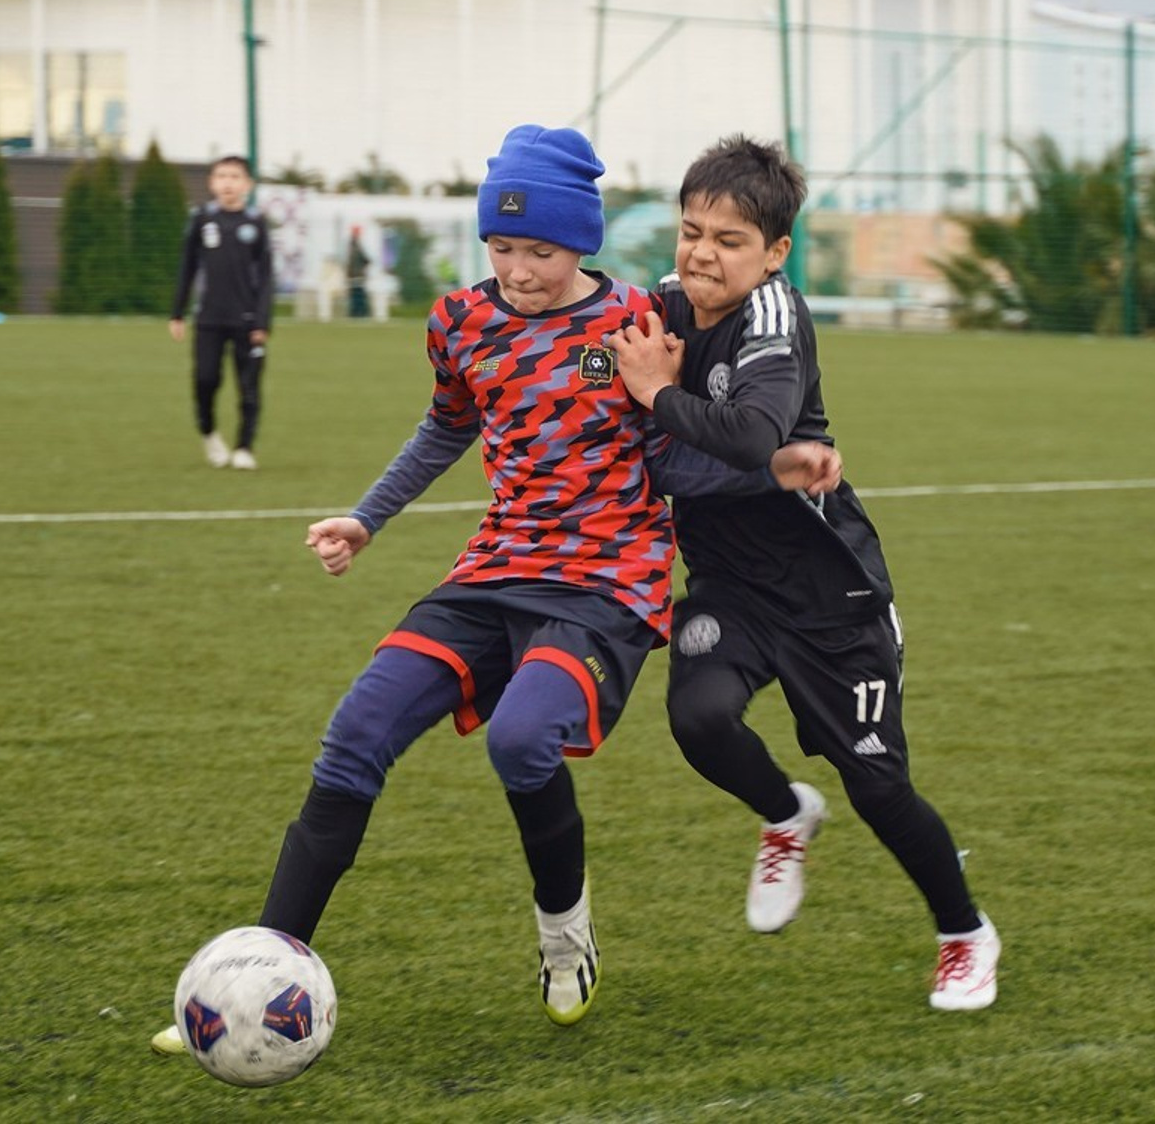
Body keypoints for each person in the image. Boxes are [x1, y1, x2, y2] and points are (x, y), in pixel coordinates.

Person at [151, 125, 839, 1055]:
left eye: (541, 251)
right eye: (503, 247)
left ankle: (566, 938)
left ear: (582, 242)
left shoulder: (641, 323)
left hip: (606, 583)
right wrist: (366, 518)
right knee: (355, 736)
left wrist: (779, 467)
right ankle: (258, 978)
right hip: (494, 570)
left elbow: (684, 446)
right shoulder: (460, 322)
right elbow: (444, 429)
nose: (519, 269)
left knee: (522, 740)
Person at [607, 134, 1000, 1012]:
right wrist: (611, 364)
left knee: (879, 788)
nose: (703, 252)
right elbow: (599, 367)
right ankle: (786, 812)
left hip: (831, 596)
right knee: (700, 719)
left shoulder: (775, 318)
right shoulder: (661, 309)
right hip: (730, 585)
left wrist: (657, 397)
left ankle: (965, 933)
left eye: (730, 239)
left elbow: (752, 435)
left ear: (775, 252)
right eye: (691, 230)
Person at [169, 155, 274, 470]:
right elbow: (187, 268)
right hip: (209, 319)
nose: (227, 183)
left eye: (234, 176)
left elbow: (267, 277)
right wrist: (177, 312)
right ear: (212, 182)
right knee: (205, 379)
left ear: (247, 185)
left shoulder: (256, 223)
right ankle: (209, 432)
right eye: (221, 176)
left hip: (247, 321)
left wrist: (262, 321)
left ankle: (244, 446)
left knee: (249, 386)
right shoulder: (202, 220)